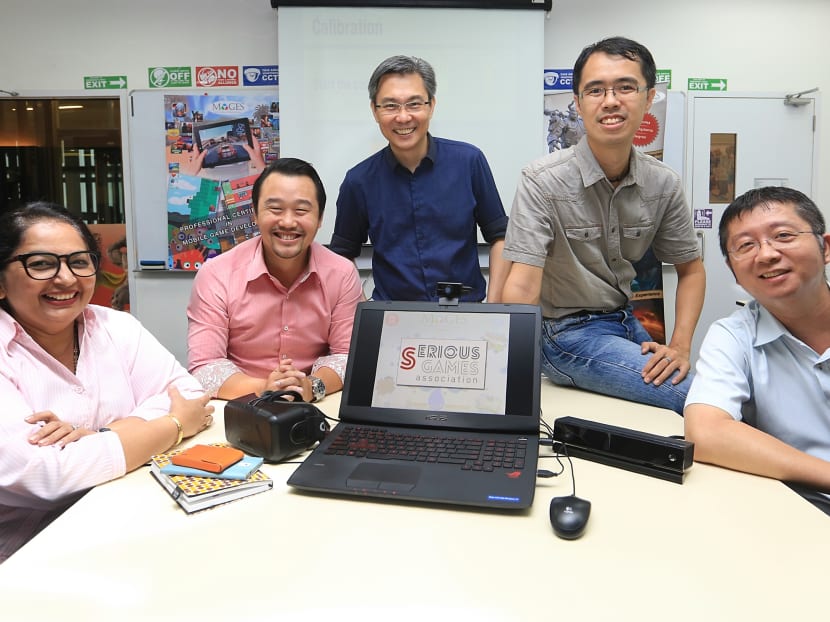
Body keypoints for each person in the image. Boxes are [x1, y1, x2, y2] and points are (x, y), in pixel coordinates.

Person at [0, 202, 214, 563]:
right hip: (27, 555)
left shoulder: (116, 326)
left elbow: (189, 394)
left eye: (79, 262)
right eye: (41, 264)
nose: (66, 278)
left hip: (125, 524)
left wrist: (102, 436)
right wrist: (174, 424)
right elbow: (44, 476)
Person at [502, 37, 705, 414]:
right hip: (565, 334)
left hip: (624, 319)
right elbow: (523, 285)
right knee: (696, 397)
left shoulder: (664, 183)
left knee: (713, 391)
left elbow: (691, 270)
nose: (610, 101)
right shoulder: (542, 180)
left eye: (625, 87)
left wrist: (679, 346)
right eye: (595, 90)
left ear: (649, 98)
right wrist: (508, 375)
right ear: (578, 104)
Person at [685, 186, 830, 515]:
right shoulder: (733, 336)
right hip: (801, 512)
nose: (766, 254)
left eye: (783, 236)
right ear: (733, 270)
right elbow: (705, 432)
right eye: (746, 245)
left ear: (825, 248)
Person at [330, 55, 511, 302]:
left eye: (414, 104)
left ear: (431, 105)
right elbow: (342, 255)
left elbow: (500, 236)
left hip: (464, 312)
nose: (403, 117)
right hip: (393, 315)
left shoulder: (469, 161)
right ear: (375, 110)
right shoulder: (358, 181)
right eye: (391, 106)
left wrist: (493, 305)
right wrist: (363, 310)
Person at [187, 157, 362, 401]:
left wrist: (311, 386)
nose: (288, 222)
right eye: (276, 209)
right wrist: (265, 389)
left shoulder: (342, 273)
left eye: (301, 210)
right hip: (242, 405)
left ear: (320, 218)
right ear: (255, 214)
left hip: (314, 405)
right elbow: (205, 366)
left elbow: (348, 356)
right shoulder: (216, 274)